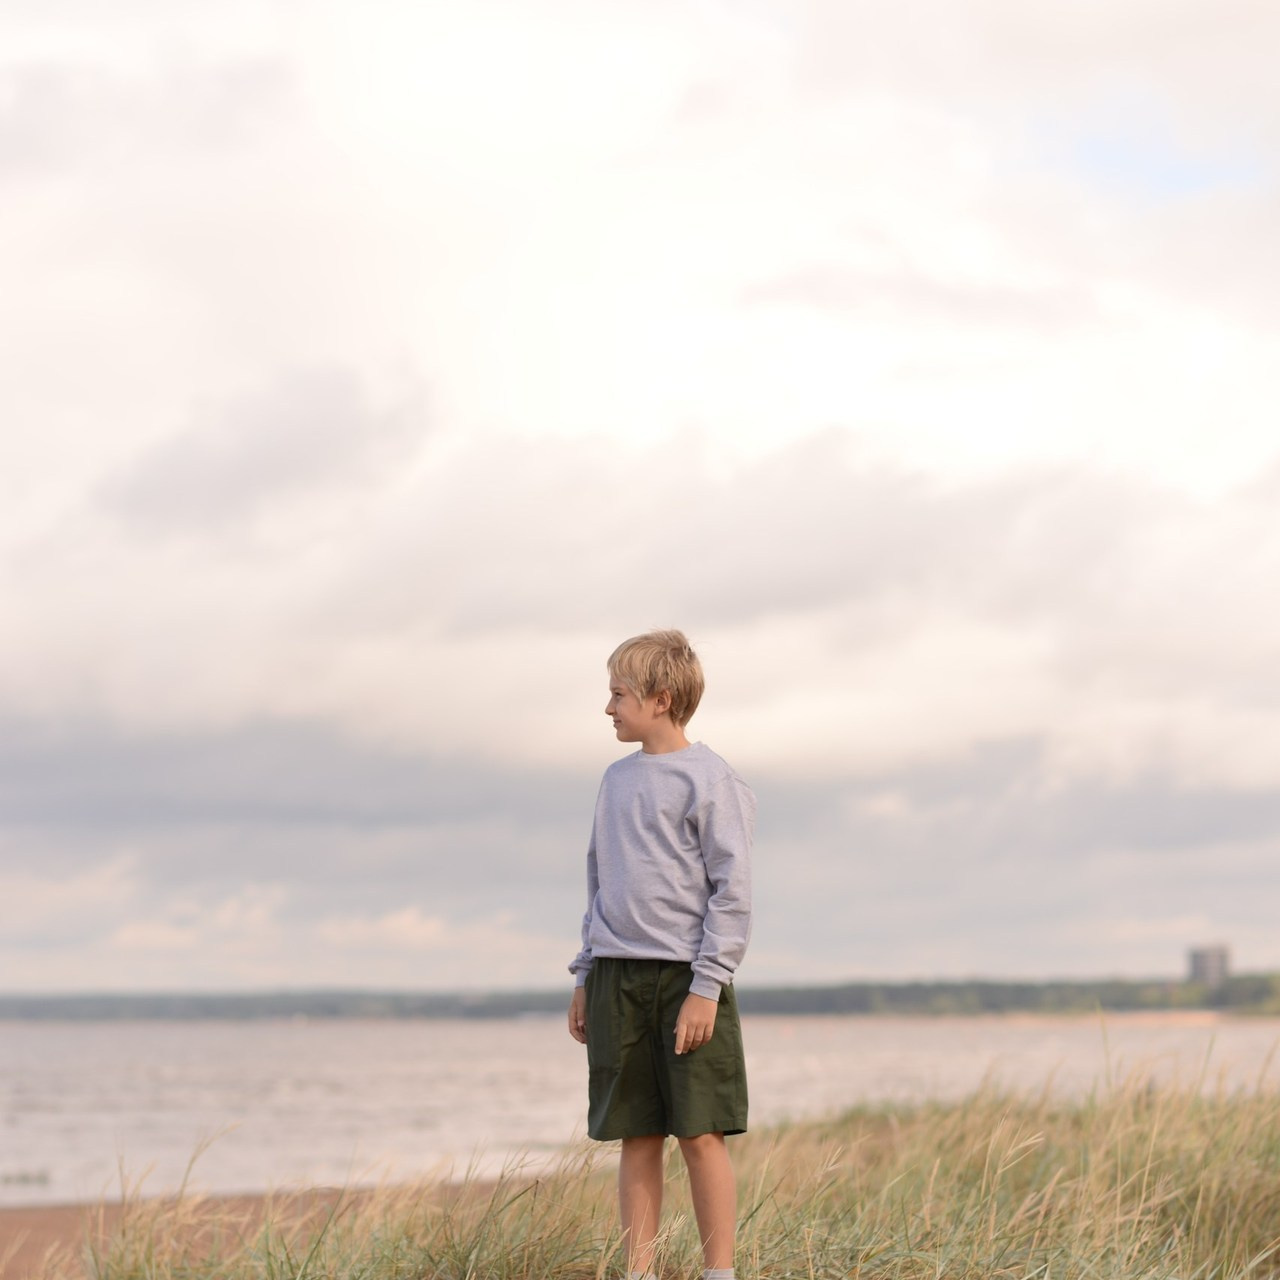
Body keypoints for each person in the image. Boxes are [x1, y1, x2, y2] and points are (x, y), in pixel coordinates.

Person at [568, 629, 756, 1280]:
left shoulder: (711, 779)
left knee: (700, 1134)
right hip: (616, 976)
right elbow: (599, 881)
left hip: (687, 980)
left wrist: (708, 985)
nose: (608, 707)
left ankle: (719, 1273)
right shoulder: (615, 782)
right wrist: (585, 973)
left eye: (618, 694)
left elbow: (733, 892)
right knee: (636, 1134)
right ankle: (639, 1273)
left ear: (661, 698)